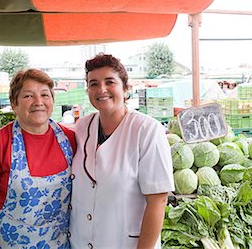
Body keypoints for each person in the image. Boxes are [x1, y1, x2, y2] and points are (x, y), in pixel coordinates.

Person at [69, 54, 174, 249]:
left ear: (125, 88)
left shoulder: (147, 130)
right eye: (93, 84)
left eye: (110, 82)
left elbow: (158, 200)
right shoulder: (82, 127)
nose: (101, 89)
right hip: (81, 242)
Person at [0, 68, 76, 249]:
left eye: (45, 95)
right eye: (28, 96)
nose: (38, 102)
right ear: (14, 104)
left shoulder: (70, 140)